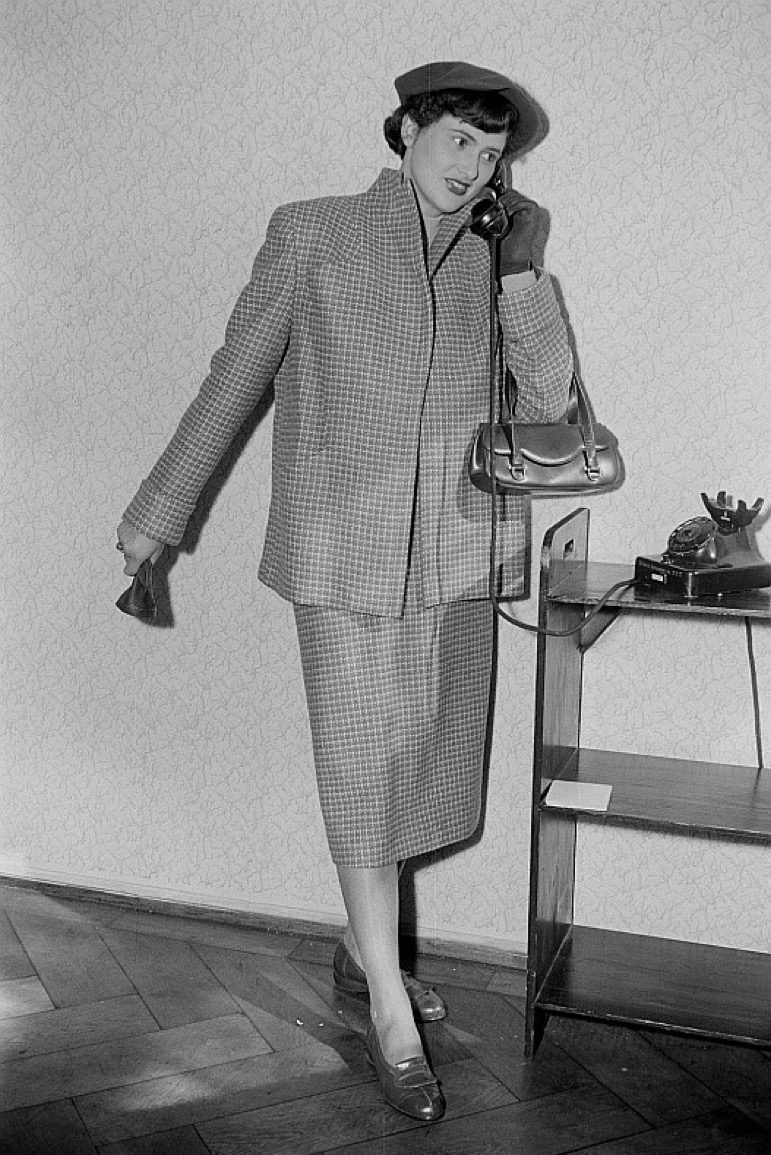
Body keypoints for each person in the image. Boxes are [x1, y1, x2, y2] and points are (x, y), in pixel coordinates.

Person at [117, 60, 572, 1123]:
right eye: (460, 138)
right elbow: (235, 374)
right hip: (344, 559)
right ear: (407, 127)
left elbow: (550, 408)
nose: (476, 167)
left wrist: (525, 273)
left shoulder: (495, 257)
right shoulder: (313, 233)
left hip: (458, 558)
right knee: (365, 777)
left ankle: (360, 950)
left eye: (494, 153)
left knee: (423, 770)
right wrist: (158, 515)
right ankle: (392, 1022)